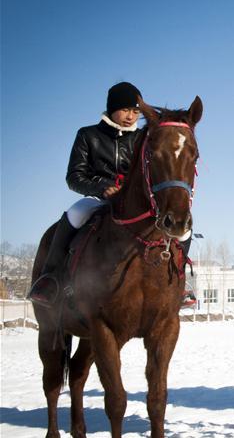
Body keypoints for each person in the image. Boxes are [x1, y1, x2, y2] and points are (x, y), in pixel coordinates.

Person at [27, 82, 145, 307]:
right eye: (126, 110)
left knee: (175, 227)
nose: (131, 116)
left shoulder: (143, 139)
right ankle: (50, 279)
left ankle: (178, 285)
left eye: (136, 112)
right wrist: (102, 188)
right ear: (112, 108)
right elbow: (74, 177)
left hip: (132, 203)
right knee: (75, 213)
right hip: (98, 199)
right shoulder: (88, 135)